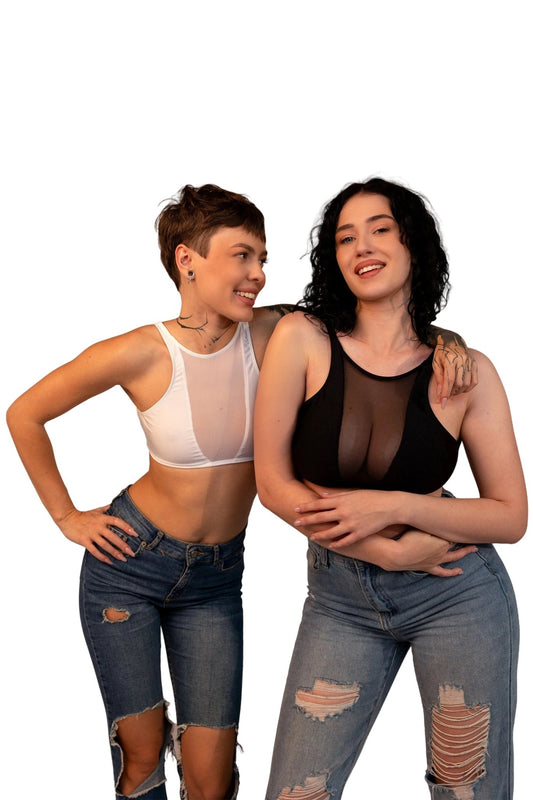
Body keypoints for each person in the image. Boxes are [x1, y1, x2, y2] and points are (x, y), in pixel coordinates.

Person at [7, 184, 473, 800]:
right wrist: (68, 517)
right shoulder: (139, 352)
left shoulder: (281, 332)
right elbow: (24, 414)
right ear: (187, 259)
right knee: (141, 757)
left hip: (217, 578)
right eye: (241, 257)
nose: (256, 276)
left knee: (212, 777)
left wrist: (450, 340)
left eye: (262, 261)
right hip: (130, 566)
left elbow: (381, 320)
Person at [254, 178, 527, 800]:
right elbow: (271, 483)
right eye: (345, 237)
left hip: (457, 596)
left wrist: (395, 508)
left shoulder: (467, 370)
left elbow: (511, 517)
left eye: (380, 229)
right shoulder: (303, 339)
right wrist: (387, 549)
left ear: (412, 245)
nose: (362, 246)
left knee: (468, 791)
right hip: (340, 599)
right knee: (298, 792)